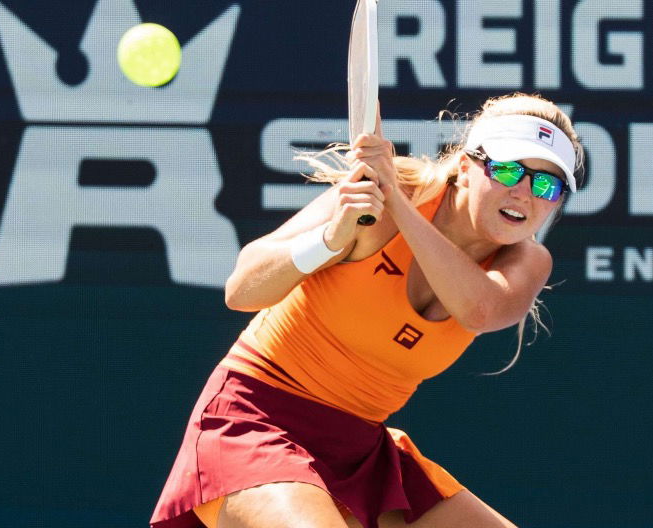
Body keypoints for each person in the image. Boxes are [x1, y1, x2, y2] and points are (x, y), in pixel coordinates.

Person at [150, 93, 586, 528]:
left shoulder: (526, 260)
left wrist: (395, 201)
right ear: (467, 168)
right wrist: (331, 240)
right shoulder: (383, 197)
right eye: (509, 170)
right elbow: (241, 289)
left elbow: (478, 309)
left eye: (547, 185)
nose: (525, 193)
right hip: (256, 418)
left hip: (360, 449)